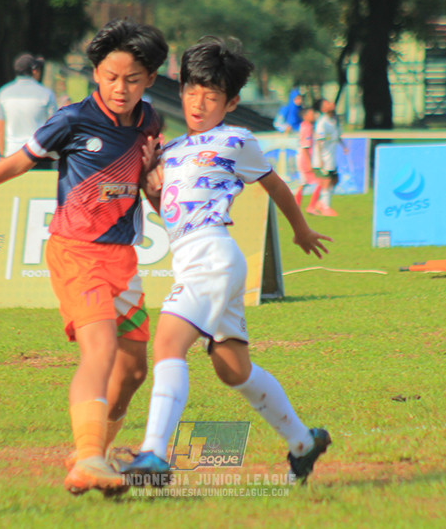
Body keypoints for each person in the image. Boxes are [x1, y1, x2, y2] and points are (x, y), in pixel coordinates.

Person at [0, 18, 167, 496]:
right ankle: (91, 456)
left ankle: (90, 455)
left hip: (123, 258)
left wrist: (155, 185)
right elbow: (17, 161)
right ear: (96, 74)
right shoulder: (73, 119)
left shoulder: (150, 123)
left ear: (150, 80)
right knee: (99, 352)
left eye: (133, 79)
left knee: (134, 370)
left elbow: (147, 185)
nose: (121, 88)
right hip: (76, 252)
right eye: (112, 77)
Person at [122, 37, 333, 488]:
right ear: (181, 90)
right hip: (197, 258)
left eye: (212, 96)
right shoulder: (169, 151)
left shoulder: (236, 140)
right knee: (232, 368)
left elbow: (275, 186)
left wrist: (300, 230)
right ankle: (303, 442)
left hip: (212, 256)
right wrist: (151, 188)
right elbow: (171, 216)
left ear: (231, 103)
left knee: (167, 345)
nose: (199, 103)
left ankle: (154, 454)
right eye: (192, 91)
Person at [0, 53, 58, 168]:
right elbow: (53, 125)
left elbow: (0, 127)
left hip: (12, 153)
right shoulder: (47, 94)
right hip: (38, 153)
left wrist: (2, 154)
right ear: (34, 71)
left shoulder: (3, 93)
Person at [307, 98, 346, 217]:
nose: (331, 104)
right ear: (323, 109)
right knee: (326, 181)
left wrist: (344, 146)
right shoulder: (322, 122)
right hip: (323, 158)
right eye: (327, 104)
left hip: (331, 157)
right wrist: (320, 160)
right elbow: (319, 141)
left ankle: (320, 203)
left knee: (335, 180)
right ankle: (325, 206)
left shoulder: (334, 120)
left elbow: (337, 135)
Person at [293, 105, 319, 206]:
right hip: (304, 159)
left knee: (304, 183)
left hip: (305, 158)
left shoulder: (307, 126)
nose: (313, 116)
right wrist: (308, 163)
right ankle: (311, 206)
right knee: (320, 182)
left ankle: (297, 206)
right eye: (311, 114)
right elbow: (305, 147)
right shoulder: (306, 127)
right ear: (305, 116)